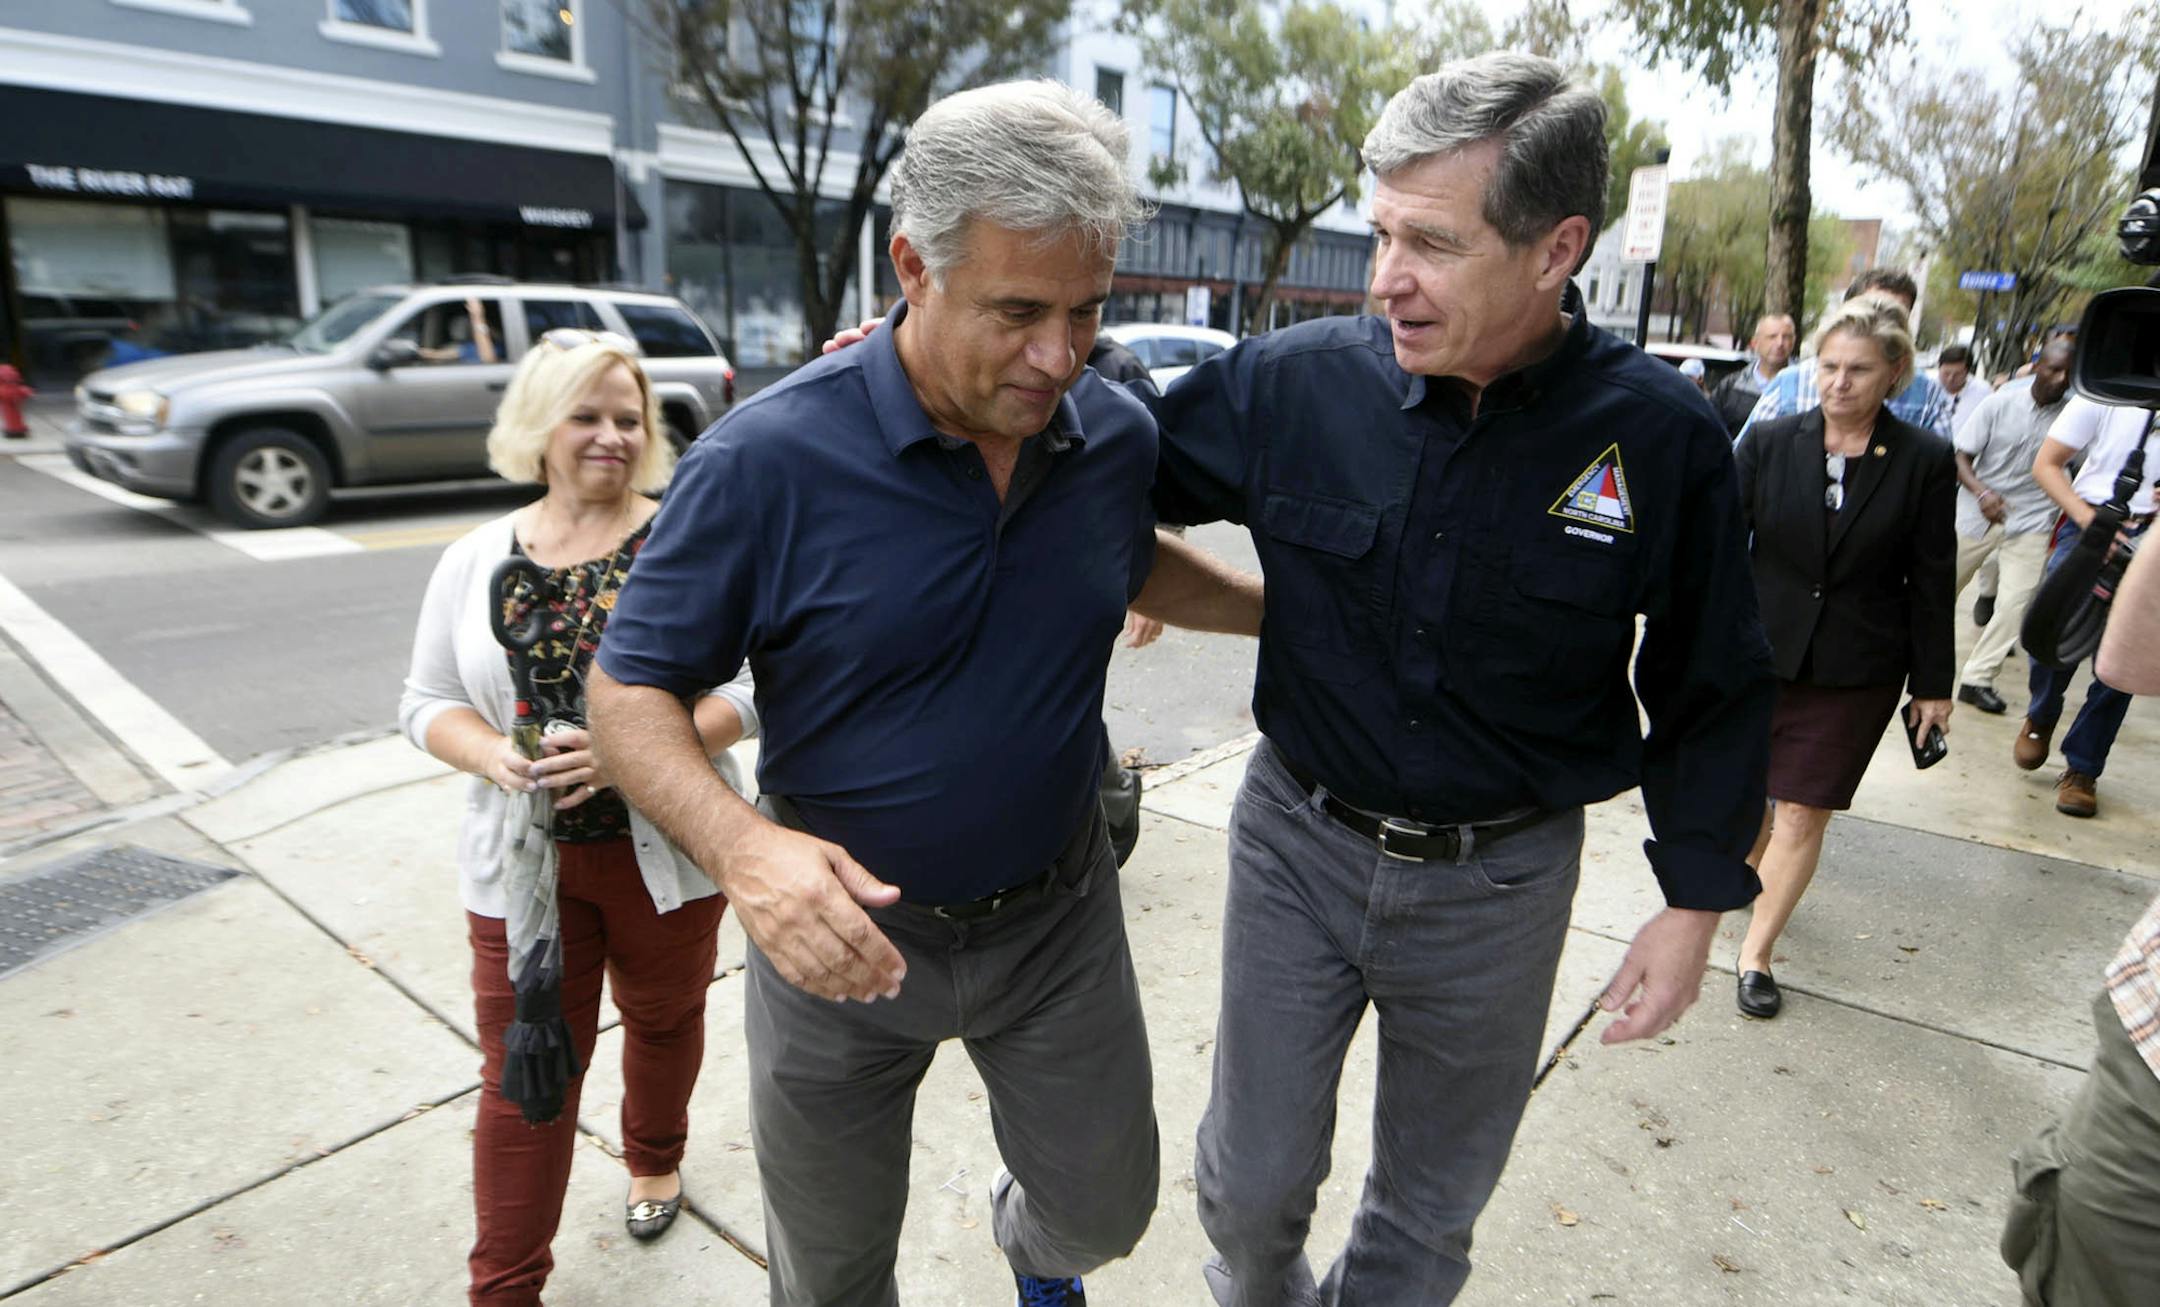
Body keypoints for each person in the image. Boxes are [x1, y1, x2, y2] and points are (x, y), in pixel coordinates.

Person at [587, 80, 1262, 1307]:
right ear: (913, 265)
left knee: (1103, 1213)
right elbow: (628, 690)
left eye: (1088, 310)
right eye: (1017, 311)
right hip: (839, 946)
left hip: (1056, 921)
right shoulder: (766, 460)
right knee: (834, 1278)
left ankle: (1028, 1248)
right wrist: (746, 853)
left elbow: (1120, 553)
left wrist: (1281, 612)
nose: (1060, 354)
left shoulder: (1106, 434)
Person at [1146, 54, 1774, 1305]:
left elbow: (1714, 680)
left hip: (1501, 880)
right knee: (1248, 1182)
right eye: (1380, 233)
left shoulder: (1657, 440)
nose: (1387, 278)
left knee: (1426, 1223)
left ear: (1557, 248)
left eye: (1431, 242)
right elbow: (1089, 471)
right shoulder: (1297, 382)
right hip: (1296, 846)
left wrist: (1693, 901)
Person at [398, 329, 752, 1306]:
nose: (608, 435)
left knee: (665, 1016)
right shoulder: (476, 558)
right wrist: (491, 754)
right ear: (539, 424)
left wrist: (639, 746)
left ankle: (654, 1156)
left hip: (667, 858)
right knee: (528, 1075)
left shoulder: (685, 537)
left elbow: (757, 682)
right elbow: (426, 700)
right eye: (585, 414)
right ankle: (504, 1287)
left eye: (626, 418)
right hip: (525, 872)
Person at [1730, 295, 1956, 1019]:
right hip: (1761, 652)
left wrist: (1933, 683)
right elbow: (1719, 550)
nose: (1839, 382)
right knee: (1747, 802)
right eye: (1828, 365)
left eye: (1859, 369)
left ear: (1894, 373)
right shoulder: (1770, 443)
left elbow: (1932, 574)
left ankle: (1755, 953)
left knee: (1801, 811)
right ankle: (1742, 875)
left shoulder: (1922, 459)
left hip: (1858, 667)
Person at [2002, 537, 2160, 1305]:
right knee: (2068, 648)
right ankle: (2041, 718)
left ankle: (2082, 764)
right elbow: (2132, 654)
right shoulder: (2107, 416)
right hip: (2104, 544)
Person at [2015, 391, 2157, 817]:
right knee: (2050, 636)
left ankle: (2084, 768)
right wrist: (2087, 519)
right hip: (2090, 523)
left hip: (2151, 537)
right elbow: (2047, 464)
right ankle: (2041, 713)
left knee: (2121, 664)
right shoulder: (2108, 388)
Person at [1951, 339, 2076, 714]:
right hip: (1976, 513)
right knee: (1939, 589)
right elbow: (1961, 455)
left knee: (2015, 603)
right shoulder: (1998, 403)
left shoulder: (2073, 417)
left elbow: (2085, 464)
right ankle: (1906, 654)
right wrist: (1981, 492)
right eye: (2053, 369)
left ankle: (1977, 678)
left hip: (2032, 520)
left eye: (2068, 374)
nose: (2060, 379)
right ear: (2036, 367)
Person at [1735, 268, 1954, 444]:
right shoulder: (1790, 384)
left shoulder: (1928, 395)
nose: (1840, 383)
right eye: (1870, 311)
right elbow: (1742, 466)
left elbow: (1937, 476)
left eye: (1895, 316)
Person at [1709, 312, 1795, 437]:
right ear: (1755, 343)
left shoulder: (1806, 386)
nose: (1780, 343)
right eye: (1772, 337)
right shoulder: (1732, 386)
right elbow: (1710, 430)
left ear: (1794, 341)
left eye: (1786, 337)